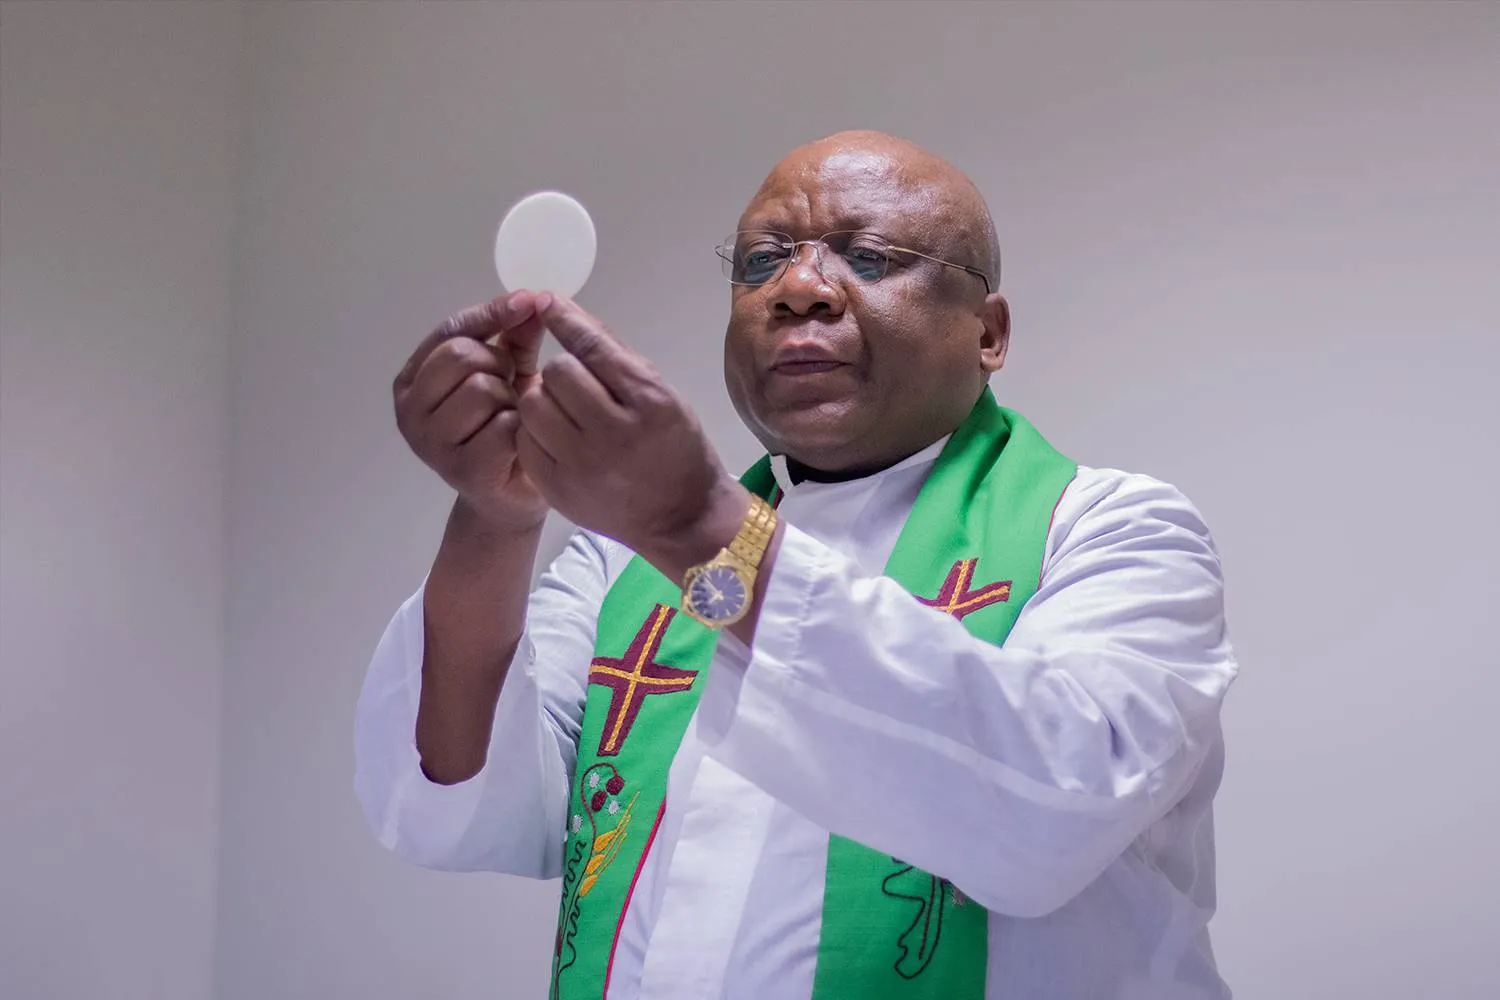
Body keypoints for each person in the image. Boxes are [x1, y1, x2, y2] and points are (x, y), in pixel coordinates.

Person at [355, 130, 1238, 1000]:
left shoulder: (1113, 531)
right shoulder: (624, 563)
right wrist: (496, 515)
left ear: (989, 332)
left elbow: (1052, 815)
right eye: (762, 261)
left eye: (870, 256)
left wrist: (700, 528)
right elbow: (459, 809)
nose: (798, 289)